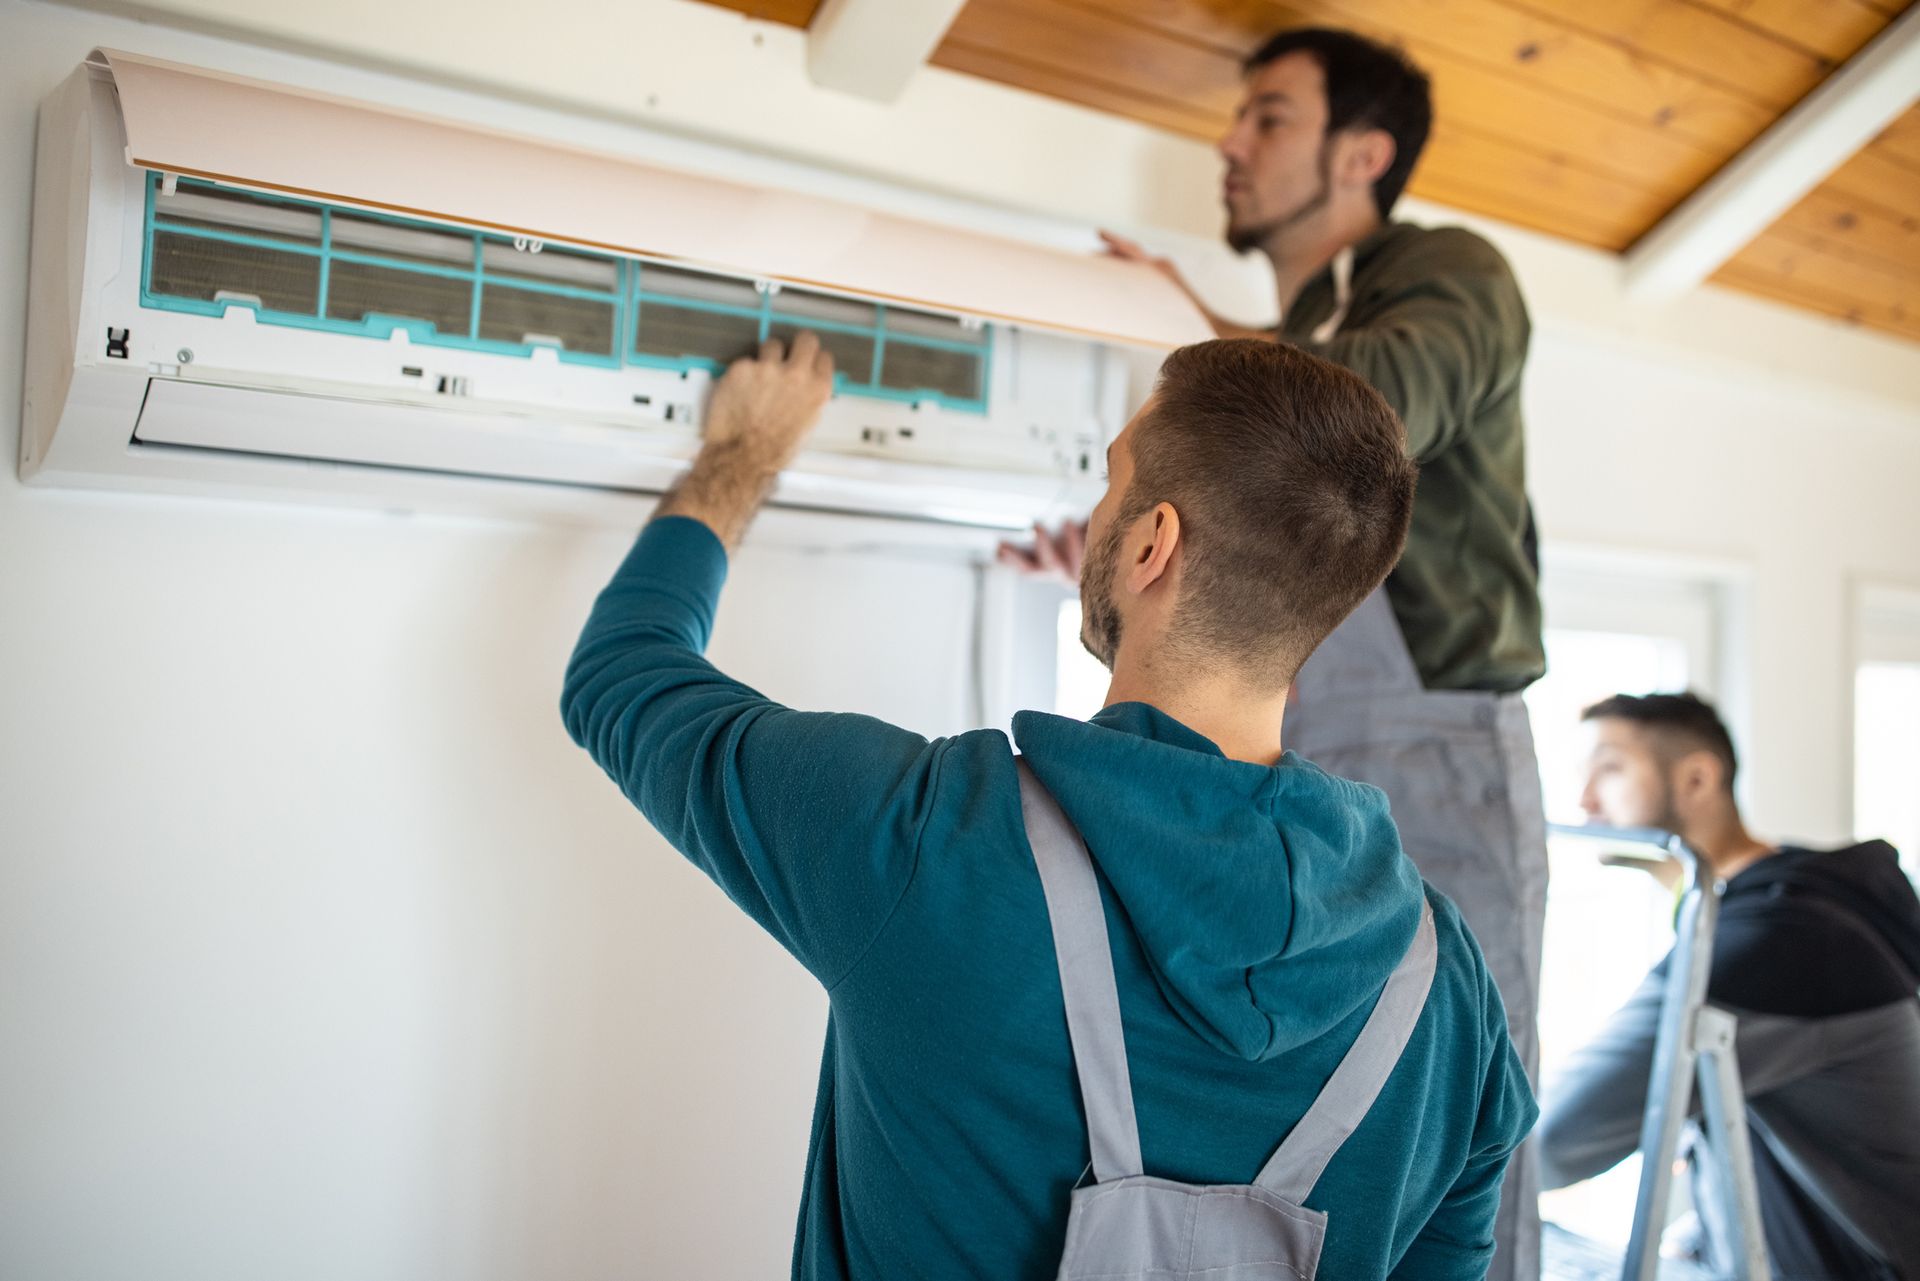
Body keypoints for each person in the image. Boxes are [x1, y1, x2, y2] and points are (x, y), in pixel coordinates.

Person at [562, 333, 1534, 1278]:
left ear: (1153, 541)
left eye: (1112, 480)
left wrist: (745, 452)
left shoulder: (930, 840)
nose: (1096, 512)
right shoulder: (1447, 987)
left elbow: (622, 676)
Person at [1004, 28, 1547, 1279]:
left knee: (1460, 1112)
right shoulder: (1308, 317)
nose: (1228, 145)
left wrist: (1204, 371)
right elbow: (1284, 474)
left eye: (1267, 119)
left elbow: (1354, 427)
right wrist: (1131, 550)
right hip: (1307, 737)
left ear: (1362, 154)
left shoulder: (1450, 270)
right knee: (1310, 1111)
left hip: (1437, 733)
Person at [1539, 691, 1920, 1279]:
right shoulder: (1801, 902)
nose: (1584, 800)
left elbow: (1549, 1142)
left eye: (1609, 770)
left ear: (1696, 778)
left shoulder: (1781, 941)